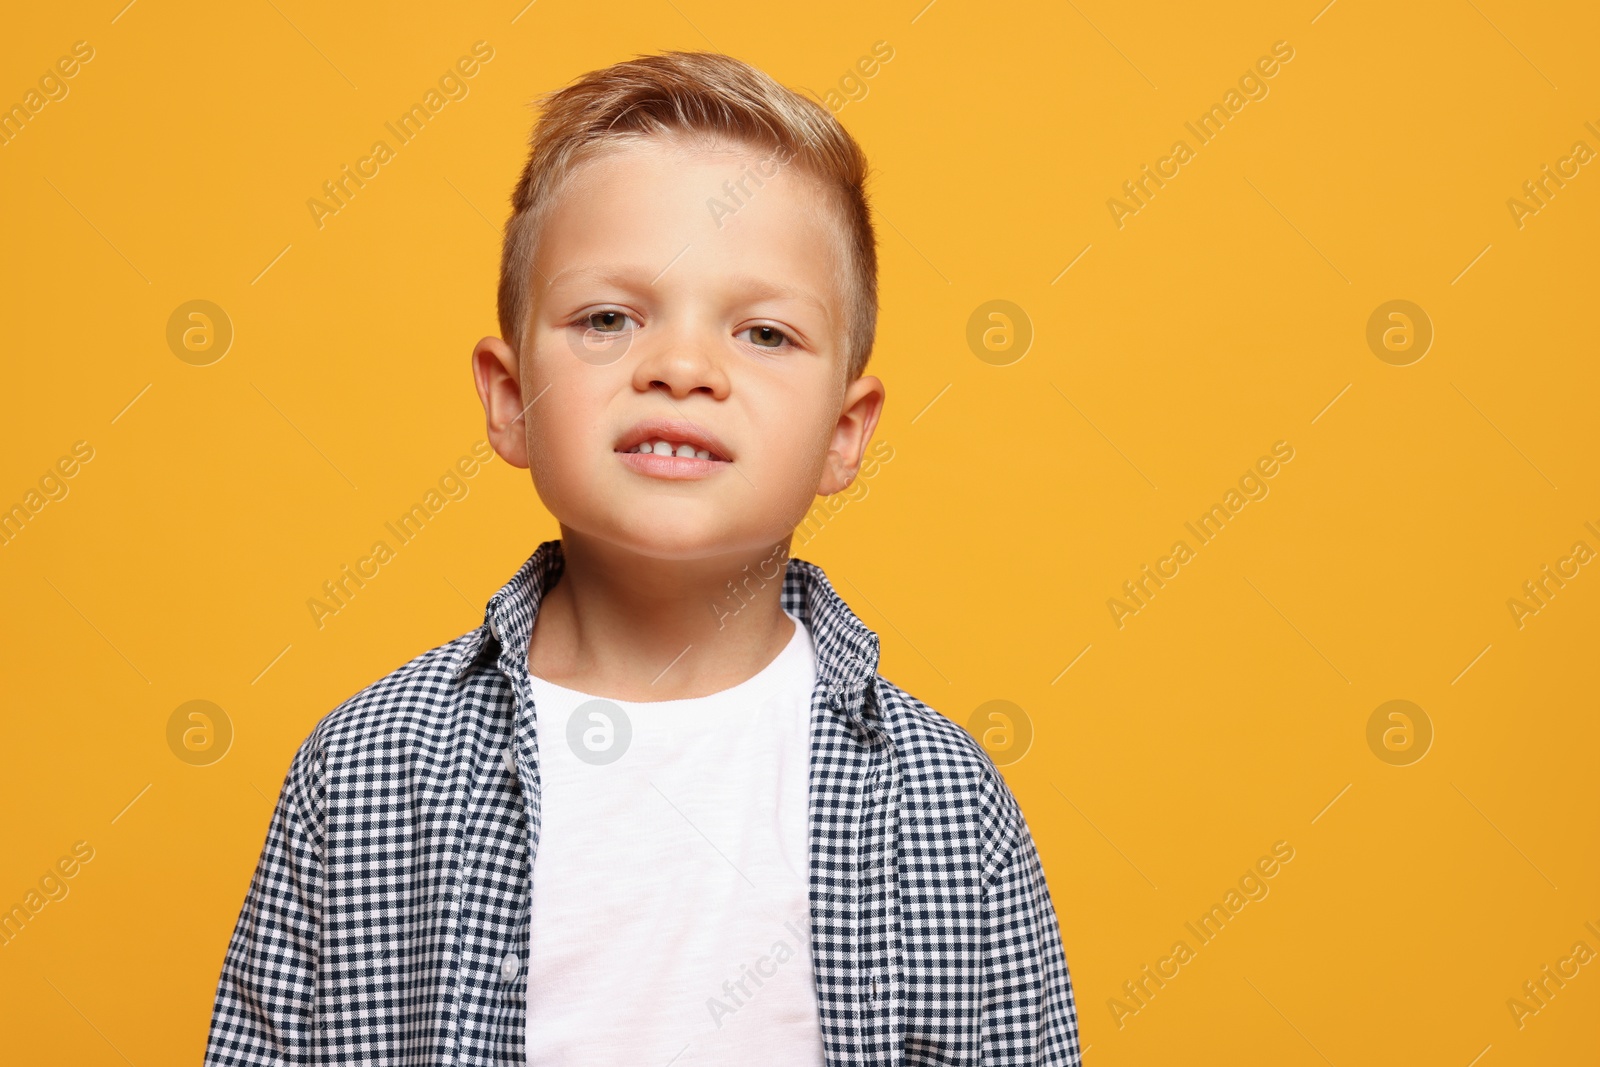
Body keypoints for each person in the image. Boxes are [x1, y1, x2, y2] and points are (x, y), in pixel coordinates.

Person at [204, 50, 1080, 1066]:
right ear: (507, 396)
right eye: (608, 319)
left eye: (762, 331)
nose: (679, 367)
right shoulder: (367, 772)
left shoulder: (942, 805)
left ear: (845, 431)